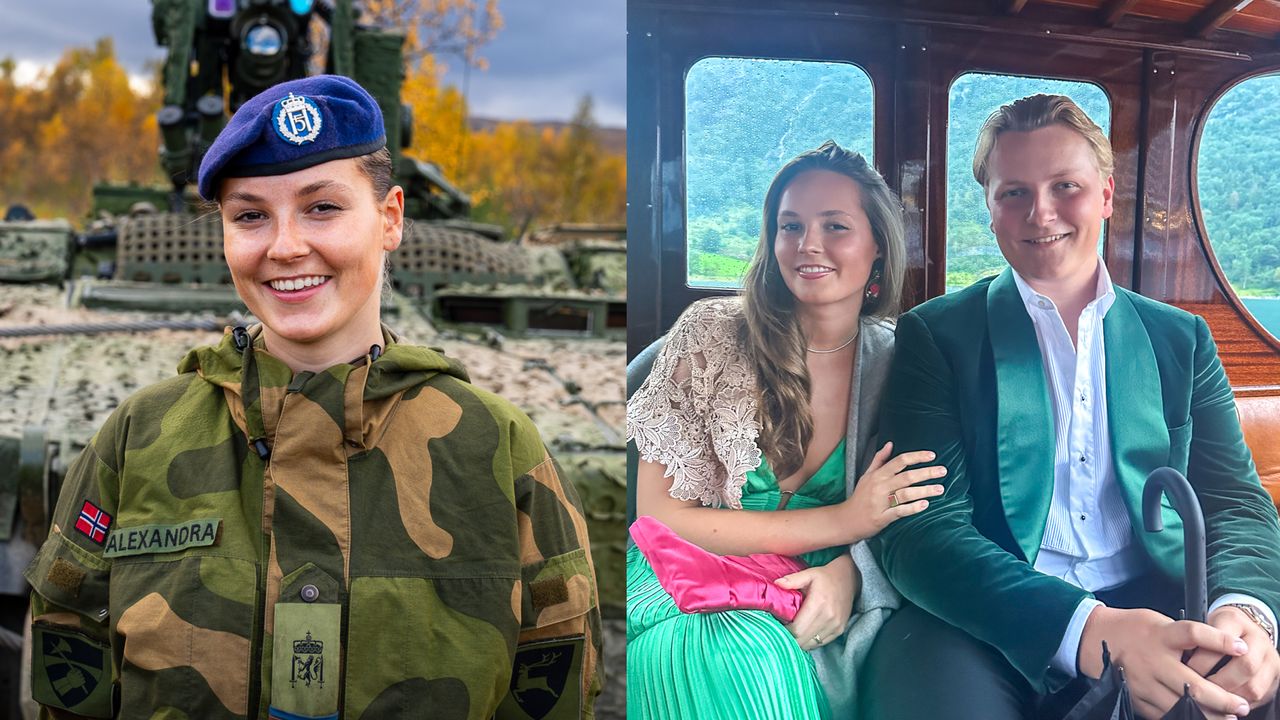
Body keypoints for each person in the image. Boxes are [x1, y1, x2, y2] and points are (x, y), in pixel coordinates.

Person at [24, 75, 602, 720]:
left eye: (322, 207)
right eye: (250, 216)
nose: (285, 246)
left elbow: (553, 686)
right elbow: (71, 675)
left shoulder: (496, 448)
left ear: (389, 219)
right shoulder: (139, 438)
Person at [861, 93, 1280, 720]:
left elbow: (1234, 503)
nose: (1042, 211)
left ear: (1106, 195)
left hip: (1163, 599)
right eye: (1014, 193)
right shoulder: (936, 337)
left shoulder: (1180, 340)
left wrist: (1244, 613)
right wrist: (1089, 630)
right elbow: (921, 528)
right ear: (992, 211)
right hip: (990, 611)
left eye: (1066, 186)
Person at [626, 140, 946, 719]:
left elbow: (930, 518)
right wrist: (844, 520)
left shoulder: (905, 365)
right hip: (686, 581)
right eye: (790, 225)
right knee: (730, 658)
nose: (808, 245)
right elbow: (660, 520)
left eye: (835, 226)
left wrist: (849, 574)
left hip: (822, 596)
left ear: (878, 246)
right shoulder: (709, 336)